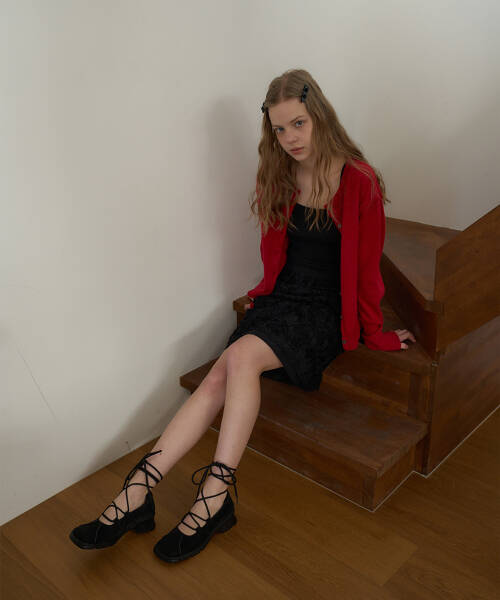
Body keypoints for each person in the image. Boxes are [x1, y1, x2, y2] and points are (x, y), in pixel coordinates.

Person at [69, 68, 416, 563]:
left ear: (320, 116)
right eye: (279, 129)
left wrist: (376, 334)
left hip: (325, 309)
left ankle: (209, 498)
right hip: (283, 300)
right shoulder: (281, 173)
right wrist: (264, 293)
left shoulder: (359, 180)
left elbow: (365, 272)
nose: (290, 138)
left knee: (240, 360)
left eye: (298, 123)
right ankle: (138, 494)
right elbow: (276, 252)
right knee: (221, 373)